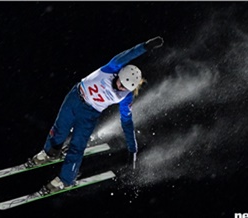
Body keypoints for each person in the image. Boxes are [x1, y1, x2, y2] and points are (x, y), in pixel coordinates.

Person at [26, 36, 164, 194]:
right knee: (60, 129)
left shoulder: (126, 96)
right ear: (119, 75)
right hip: (75, 97)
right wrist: (146, 46)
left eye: (126, 88)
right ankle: (50, 152)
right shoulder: (114, 66)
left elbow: (126, 121)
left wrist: (132, 147)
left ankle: (65, 180)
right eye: (121, 84)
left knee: (78, 145)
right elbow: (130, 53)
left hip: (90, 114)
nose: (121, 89)